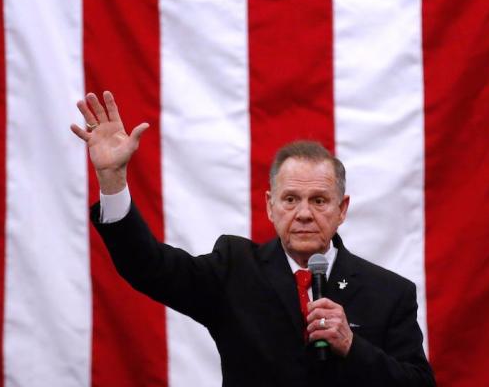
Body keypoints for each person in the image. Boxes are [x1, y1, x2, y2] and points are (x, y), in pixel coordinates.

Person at [72, 91, 435, 387]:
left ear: (342, 209)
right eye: (291, 199)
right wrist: (113, 180)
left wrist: (353, 347)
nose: (305, 213)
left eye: (319, 201)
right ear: (270, 206)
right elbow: (148, 266)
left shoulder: (390, 293)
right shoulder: (234, 269)